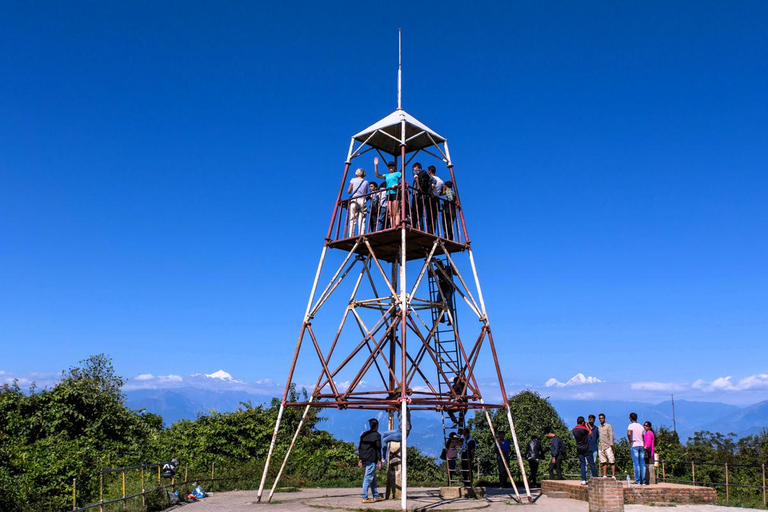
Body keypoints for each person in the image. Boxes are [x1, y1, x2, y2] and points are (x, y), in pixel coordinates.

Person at [358, 418, 384, 503]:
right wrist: (380, 461)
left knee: (372, 478)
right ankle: (365, 497)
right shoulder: (377, 435)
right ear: (376, 426)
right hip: (371, 458)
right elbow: (378, 449)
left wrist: (360, 459)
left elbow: (360, 447)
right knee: (368, 477)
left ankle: (376, 495)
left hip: (364, 458)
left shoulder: (364, 434)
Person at [374, 158, 401, 228]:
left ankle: (397, 225)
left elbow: (403, 181)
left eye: (392, 166)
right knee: (391, 212)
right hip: (388, 193)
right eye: (389, 166)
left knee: (396, 211)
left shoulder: (398, 173)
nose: (390, 167)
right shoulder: (386, 175)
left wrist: (397, 185)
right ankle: (393, 226)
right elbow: (377, 175)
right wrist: (376, 165)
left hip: (395, 192)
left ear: (394, 167)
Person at [346, 168, 369, 237]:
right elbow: (366, 192)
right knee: (362, 218)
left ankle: (351, 235)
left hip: (354, 200)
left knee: (352, 218)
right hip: (362, 199)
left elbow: (348, 191)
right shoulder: (366, 182)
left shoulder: (353, 180)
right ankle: (361, 234)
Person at [572, 416, 593, 484]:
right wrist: (587, 426)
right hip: (586, 448)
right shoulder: (584, 429)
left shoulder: (574, 430)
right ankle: (595, 477)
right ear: (583, 422)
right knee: (591, 463)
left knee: (582, 464)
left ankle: (583, 480)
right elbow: (591, 434)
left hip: (579, 448)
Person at [410, 162, 430, 231]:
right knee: (420, 212)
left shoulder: (416, 172)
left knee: (415, 212)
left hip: (417, 194)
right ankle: (421, 228)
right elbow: (433, 181)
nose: (414, 169)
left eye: (414, 167)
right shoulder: (425, 174)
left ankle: (414, 226)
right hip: (424, 195)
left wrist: (418, 186)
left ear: (416, 167)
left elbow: (415, 177)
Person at [627, 412, 646, 485]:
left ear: (631, 418)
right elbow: (643, 436)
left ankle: (637, 480)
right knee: (642, 464)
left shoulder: (631, 426)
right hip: (641, 445)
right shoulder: (641, 426)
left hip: (634, 445)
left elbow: (629, 433)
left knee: (636, 463)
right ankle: (643, 481)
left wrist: (630, 440)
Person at [597, 413, 616, 478]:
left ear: (604, 418)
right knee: (603, 461)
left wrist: (611, 445)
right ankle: (605, 475)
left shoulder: (608, 426)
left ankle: (613, 475)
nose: (601, 419)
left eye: (602, 418)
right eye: (600, 418)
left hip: (607, 446)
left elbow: (611, 435)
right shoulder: (598, 427)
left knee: (611, 460)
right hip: (601, 446)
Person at [426, 165, 443, 234]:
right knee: (434, 217)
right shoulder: (441, 181)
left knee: (429, 216)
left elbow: (431, 187)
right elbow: (442, 192)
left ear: (430, 171)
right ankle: (433, 231)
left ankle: (429, 231)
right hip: (437, 199)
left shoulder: (431, 178)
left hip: (430, 198)